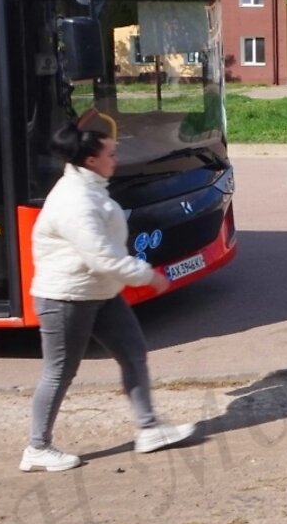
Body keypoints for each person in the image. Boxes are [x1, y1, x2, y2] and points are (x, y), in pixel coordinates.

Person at [21, 123, 197, 473]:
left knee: (133, 353)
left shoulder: (88, 186)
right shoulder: (75, 201)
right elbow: (101, 256)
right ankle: (37, 448)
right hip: (67, 298)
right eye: (110, 154)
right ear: (90, 160)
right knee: (59, 372)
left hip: (100, 292)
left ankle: (149, 429)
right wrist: (148, 276)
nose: (116, 159)